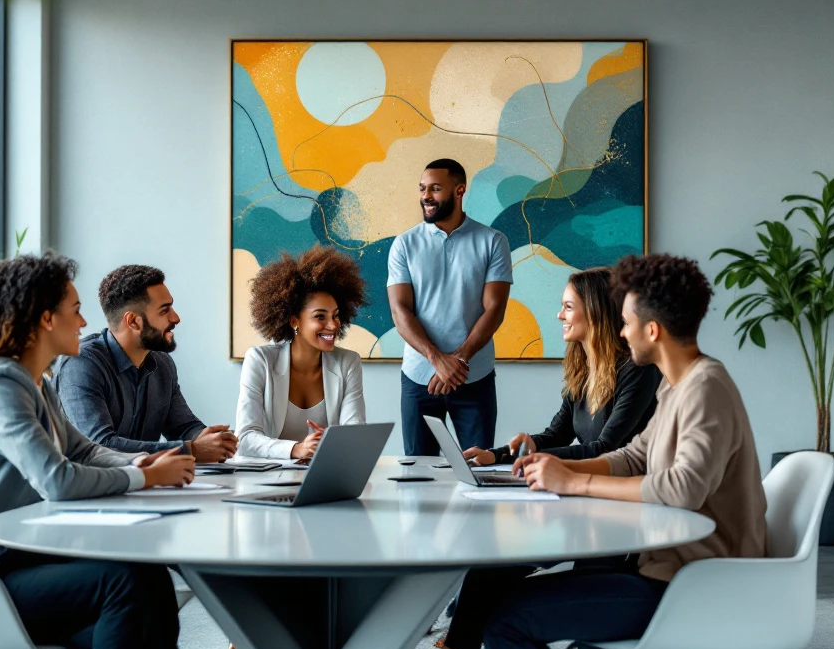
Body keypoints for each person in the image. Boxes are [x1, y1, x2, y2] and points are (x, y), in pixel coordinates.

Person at [439, 253, 767, 649]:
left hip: (691, 584)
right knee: (495, 592)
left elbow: (684, 488)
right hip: (661, 567)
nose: (622, 333)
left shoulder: (705, 388)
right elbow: (632, 456)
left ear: (652, 330)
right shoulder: (676, 386)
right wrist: (555, 467)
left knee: (504, 619)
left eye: (627, 324)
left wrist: (576, 480)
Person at [0, 253, 196, 649]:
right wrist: (146, 477)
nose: (83, 322)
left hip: (13, 559)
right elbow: (57, 480)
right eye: (75, 311)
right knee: (126, 582)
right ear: (47, 319)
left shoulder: (36, 383)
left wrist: (139, 462)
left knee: (145, 583)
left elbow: (84, 450)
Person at [462, 267, 659, 466]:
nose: (560, 315)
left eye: (569, 307)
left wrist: (528, 459)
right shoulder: (583, 370)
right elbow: (558, 434)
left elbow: (604, 449)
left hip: (631, 487)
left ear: (595, 312)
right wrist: (497, 455)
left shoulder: (638, 370)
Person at [387, 158, 513, 455]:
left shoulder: (493, 241)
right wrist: (437, 359)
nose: (426, 196)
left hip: (475, 377)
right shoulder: (404, 244)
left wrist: (459, 360)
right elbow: (399, 310)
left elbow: (494, 309)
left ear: (459, 190)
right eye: (422, 189)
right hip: (419, 378)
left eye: (435, 188)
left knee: (481, 469)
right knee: (419, 475)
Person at [53, 264, 237, 462]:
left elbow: (183, 427)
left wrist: (211, 439)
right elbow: (100, 446)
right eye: (164, 311)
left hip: (145, 486)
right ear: (133, 321)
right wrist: (192, 450)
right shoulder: (81, 364)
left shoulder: (163, 364)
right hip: (90, 489)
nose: (176, 318)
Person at [236, 245, 368, 459]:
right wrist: (297, 449)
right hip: (267, 479)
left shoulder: (348, 362)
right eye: (320, 316)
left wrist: (334, 440)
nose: (333, 325)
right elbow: (245, 438)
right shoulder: (260, 360)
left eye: (335, 315)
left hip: (324, 475)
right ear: (294, 320)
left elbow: (355, 433)